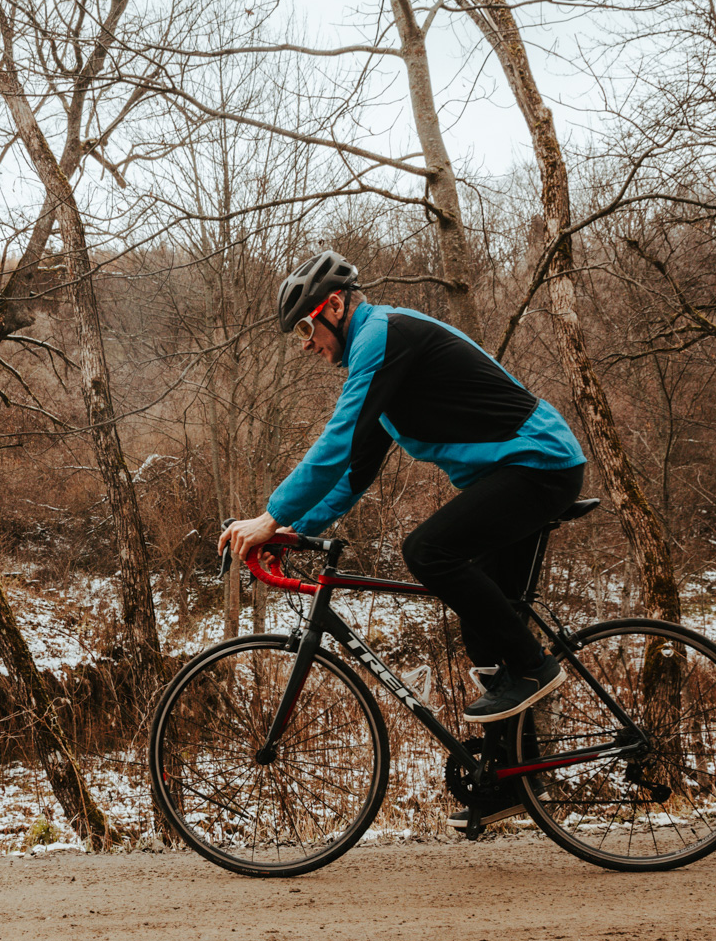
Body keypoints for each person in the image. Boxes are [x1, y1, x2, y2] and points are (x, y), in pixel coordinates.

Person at [219, 253, 588, 819]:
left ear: (335, 306)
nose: (303, 344)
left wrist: (268, 517)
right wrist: (297, 530)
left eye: (304, 328)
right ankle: (515, 781)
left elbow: (337, 442)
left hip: (539, 466)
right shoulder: (381, 364)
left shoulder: (383, 336)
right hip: (515, 475)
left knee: (426, 550)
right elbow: (353, 472)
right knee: (486, 632)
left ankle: (539, 669)